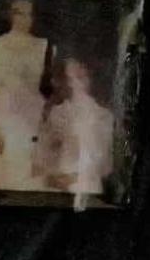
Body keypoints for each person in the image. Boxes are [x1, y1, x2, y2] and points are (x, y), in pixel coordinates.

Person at [0, 0, 52, 191]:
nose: (24, 19)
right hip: (3, 118)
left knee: (29, 178)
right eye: (19, 13)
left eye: (29, 14)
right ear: (10, 15)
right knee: (1, 177)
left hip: (32, 119)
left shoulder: (43, 46)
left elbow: (50, 89)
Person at [33, 55, 115, 195]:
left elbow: (104, 166)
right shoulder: (57, 113)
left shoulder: (103, 116)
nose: (75, 81)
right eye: (70, 77)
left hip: (86, 188)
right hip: (57, 187)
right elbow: (41, 156)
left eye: (80, 74)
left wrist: (76, 177)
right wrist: (53, 176)